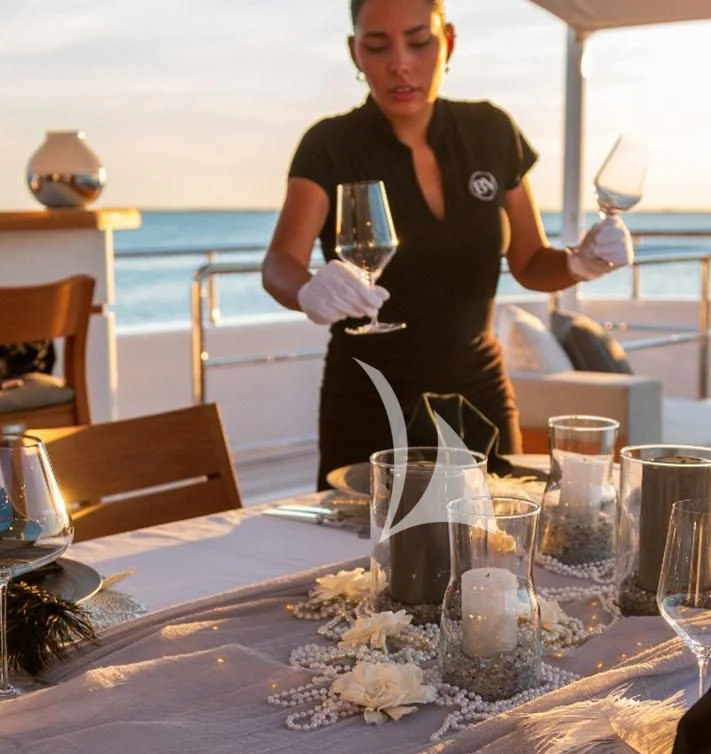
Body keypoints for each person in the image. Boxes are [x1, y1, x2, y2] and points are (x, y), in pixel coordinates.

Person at [262, 0, 632, 487]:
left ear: (448, 42)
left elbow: (530, 262)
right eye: (378, 47)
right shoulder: (330, 144)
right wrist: (308, 289)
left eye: (419, 42)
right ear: (355, 53)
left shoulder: (491, 132)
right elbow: (279, 262)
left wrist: (581, 262)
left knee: (497, 532)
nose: (400, 64)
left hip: (478, 397)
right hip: (370, 402)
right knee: (366, 538)